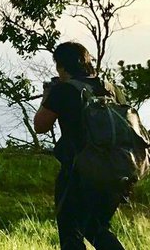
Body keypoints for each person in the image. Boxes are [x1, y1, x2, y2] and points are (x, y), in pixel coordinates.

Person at [34, 42, 130, 250]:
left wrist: (47, 97)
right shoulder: (109, 88)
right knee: (96, 228)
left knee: (71, 233)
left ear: (60, 66)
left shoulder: (65, 90)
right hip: (115, 170)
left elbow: (40, 125)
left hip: (78, 172)